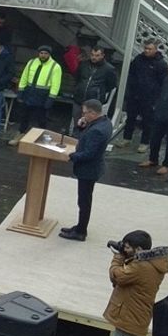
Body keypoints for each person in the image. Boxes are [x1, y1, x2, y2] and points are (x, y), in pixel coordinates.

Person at [59, 99, 112, 241]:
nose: (83, 116)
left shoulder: (97, 131)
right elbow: (86, 140)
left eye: (85, 113)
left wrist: (71, 156)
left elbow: (89, 154)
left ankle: (81, 232)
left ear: (93, 113)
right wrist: (82, 126)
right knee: (84, 200)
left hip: (89, 170)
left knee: (84, 201)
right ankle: (79, 226)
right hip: (93, 167)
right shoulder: (105, 122)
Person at [119, 40, 166, 152]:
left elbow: (163, 83)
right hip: (135, 95)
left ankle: (144, 142)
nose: (146, 51)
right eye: (145, 48)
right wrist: (131, 90)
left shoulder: (160, 64)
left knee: (147, 121)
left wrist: (156, 99)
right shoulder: (138, 59)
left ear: (155, 50)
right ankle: (126, 138)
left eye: (149, 49)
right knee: (130, 118)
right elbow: (131, 74)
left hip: (149, 98)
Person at [10, 45, 63, 145]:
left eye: (46, 53)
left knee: (41, 119)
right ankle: (20, 135)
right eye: (41, 53)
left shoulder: (55, 66)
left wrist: (51, 98)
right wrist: (21, 91)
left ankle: (42, 140)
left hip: (43, 95)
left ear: (49, 54)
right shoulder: (31, 62)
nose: (43, 55)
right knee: (24, 116)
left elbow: (56, 85)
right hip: (29, 92)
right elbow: (24, 76)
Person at [141, 58, 168, 174]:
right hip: (160, 115)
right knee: (154, 138)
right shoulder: (167, 79)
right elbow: (160, 94)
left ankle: (166, 164)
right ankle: (153, 159)